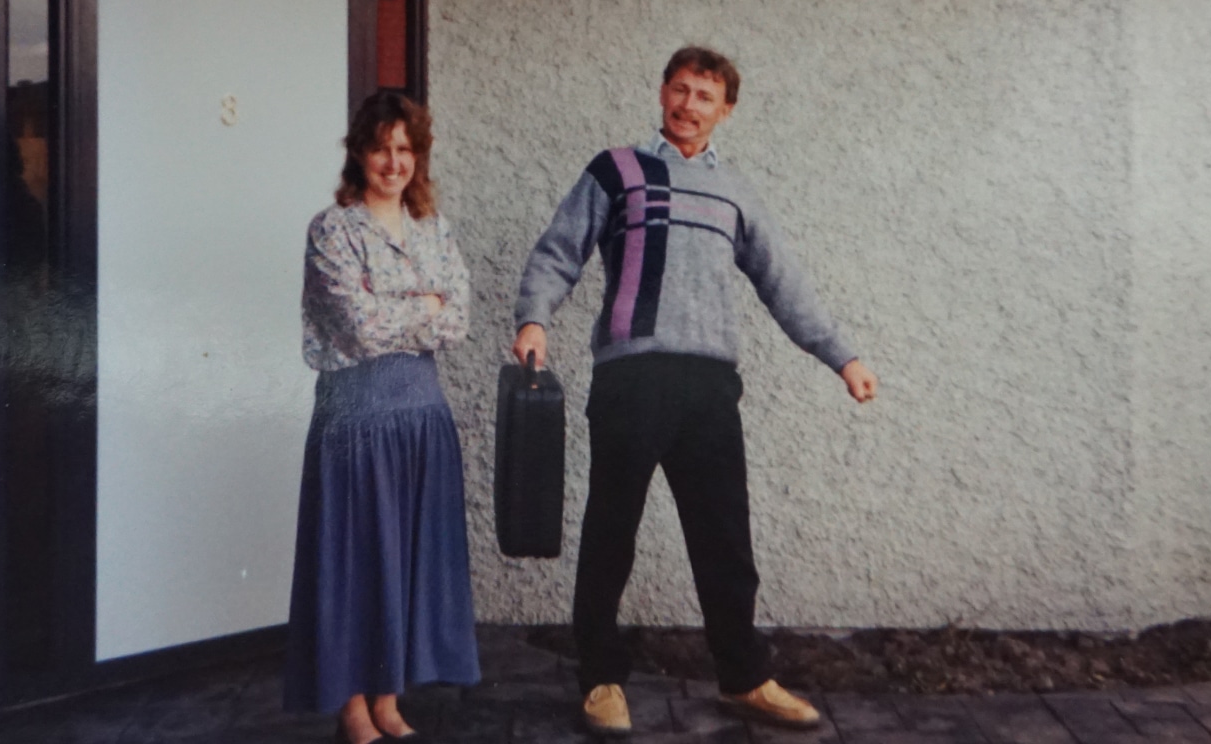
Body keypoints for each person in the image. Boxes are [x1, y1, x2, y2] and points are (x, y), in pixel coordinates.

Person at [513, 46, 879, 736]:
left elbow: (784, 283)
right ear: (661, 93)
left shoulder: (735, 192)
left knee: (724, 539)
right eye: (679, 90)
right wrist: (534, 318)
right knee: (611, 532)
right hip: (631, 377)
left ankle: (743, 677)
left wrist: (843, 357)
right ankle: (600, 680)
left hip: (710, 385)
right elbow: (557, 252)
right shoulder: (615, 169)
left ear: (726, 110)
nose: (688, 105)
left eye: (704, 96)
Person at [284, 91, 481, 743]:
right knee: (356, 564)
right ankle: (350, 706)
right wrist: (422, 303)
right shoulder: (332, 230)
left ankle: (389, 696)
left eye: (406, 149)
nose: (393, 162)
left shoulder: (434, 228)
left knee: (407, 563)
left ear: (418, 157)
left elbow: (459, 320)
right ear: (359, 154)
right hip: (357, 418)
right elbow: (360, 329)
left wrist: (408, 305)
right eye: (381, 147)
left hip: (423, 416)